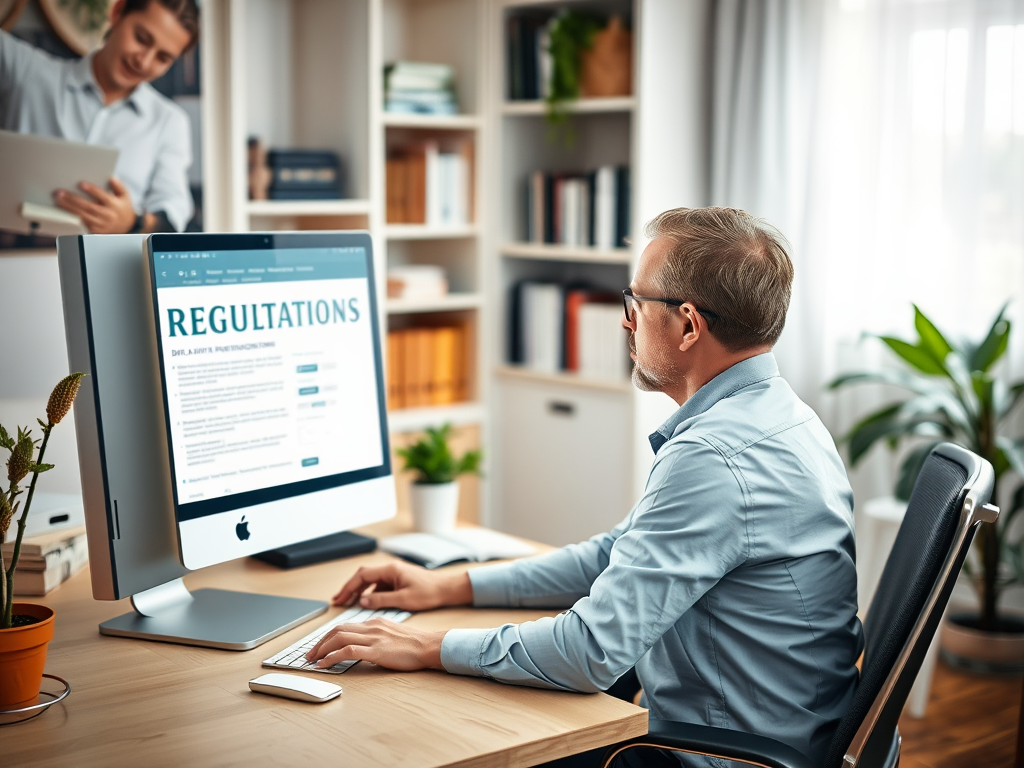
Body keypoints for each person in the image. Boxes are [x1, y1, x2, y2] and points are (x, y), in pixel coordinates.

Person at [307, 207, 864, 767]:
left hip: (723, 757)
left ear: (689, 324)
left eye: (636, 303)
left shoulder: (714, 458)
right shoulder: (784, 416)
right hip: (782, 730)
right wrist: (446, 587)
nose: (626, 322)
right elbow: (611, 556)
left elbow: (588, 652)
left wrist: (427, 645)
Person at [0, 0, 198, 234]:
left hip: (105, 265)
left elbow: (171, 218)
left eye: (162, 58)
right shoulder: (25, 70)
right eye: (141, 39)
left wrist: (132, 222)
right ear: (117, 12)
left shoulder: (169, 122)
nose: (143, 61)